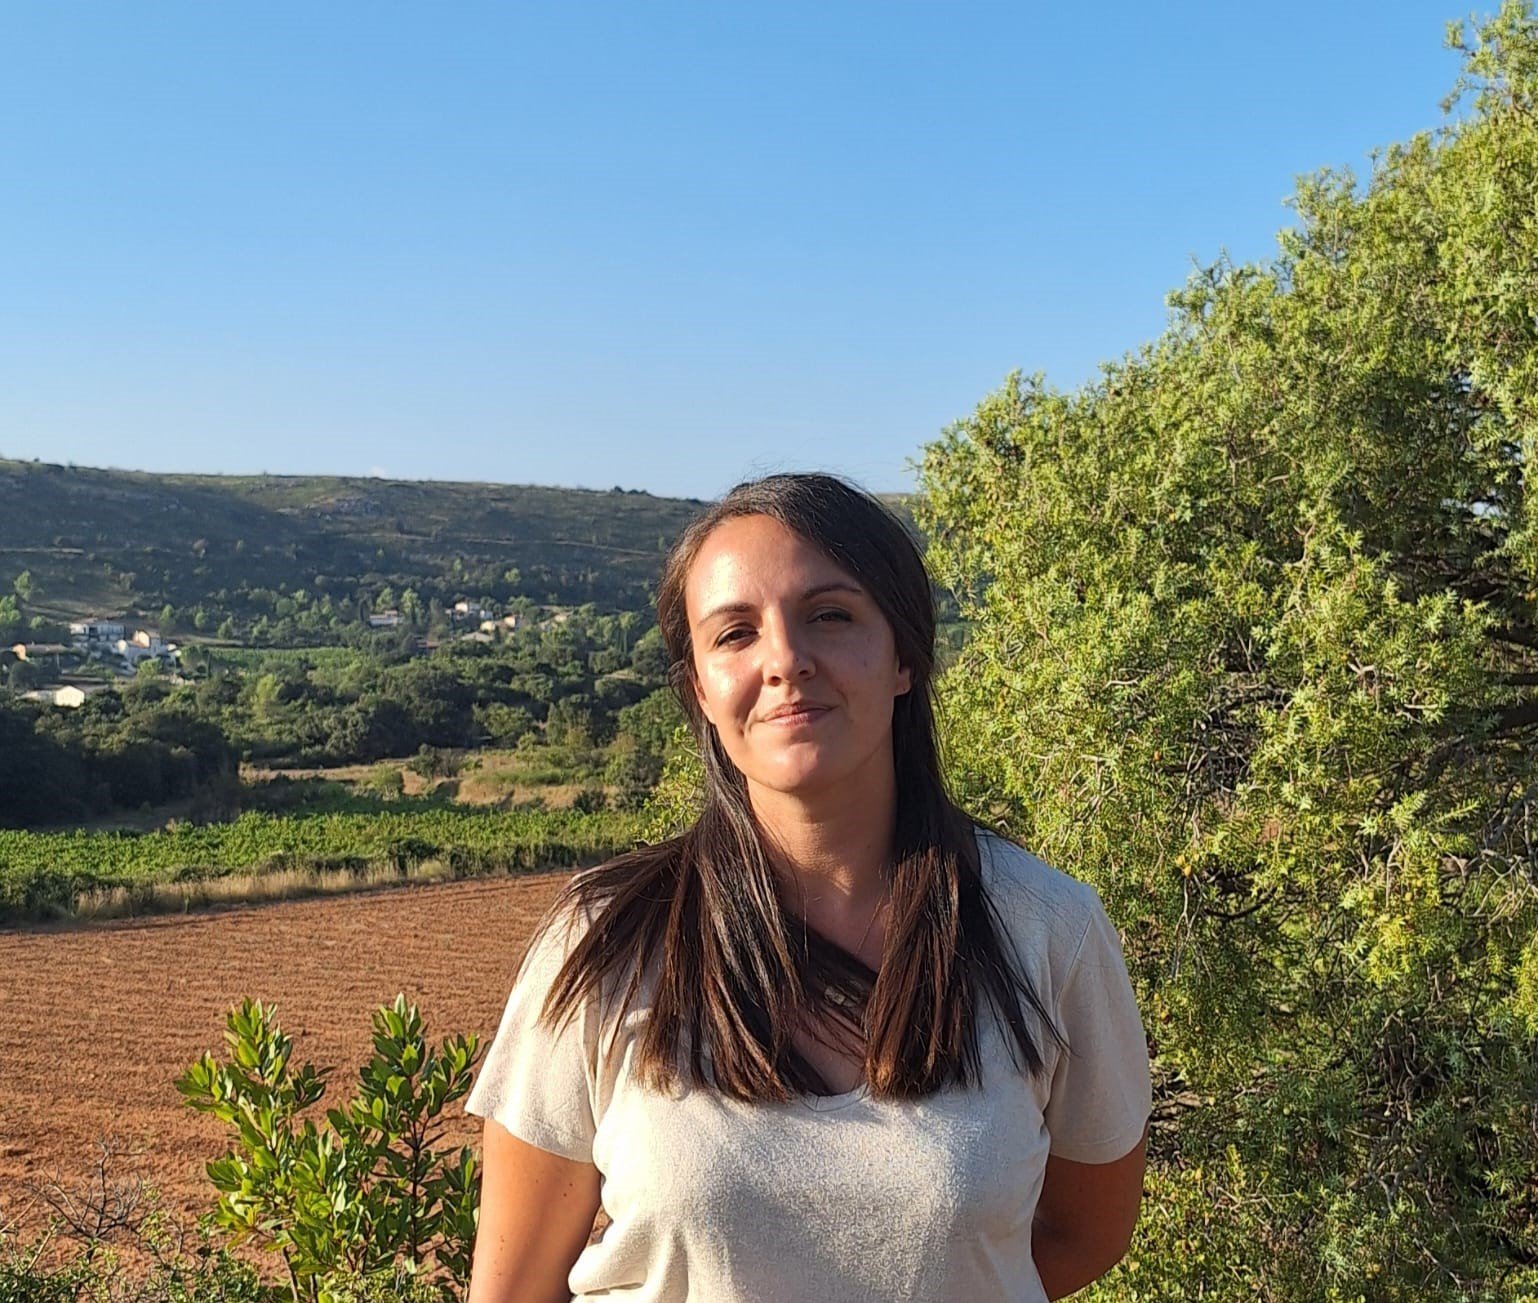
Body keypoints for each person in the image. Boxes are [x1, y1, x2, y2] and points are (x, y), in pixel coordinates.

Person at [464, 472, 1150, 1303]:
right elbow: (512, 1288)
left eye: (830, 615)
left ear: (903, 657)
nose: (786, 660)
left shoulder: (1048, 930)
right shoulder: (604, 941)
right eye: (735, 633)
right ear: (700, 690)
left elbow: (1086, 1232)